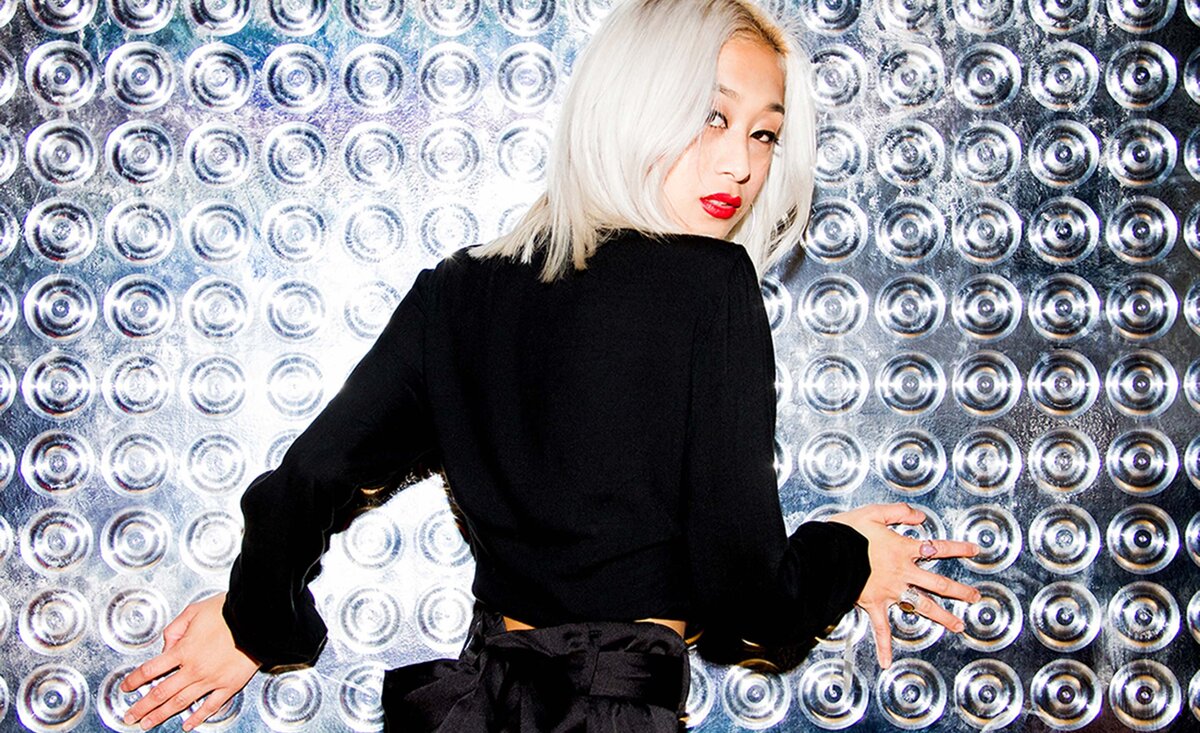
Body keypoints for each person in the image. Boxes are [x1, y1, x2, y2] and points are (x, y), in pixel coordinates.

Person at [119, 0, 982, 730]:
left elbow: (303, 483)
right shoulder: (709, 286)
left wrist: (258, 621)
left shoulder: (457, 291)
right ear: (634, 103)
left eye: (765, 133)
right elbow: (748, 604)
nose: (743, 164)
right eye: (713, 116)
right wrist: (846, 555)